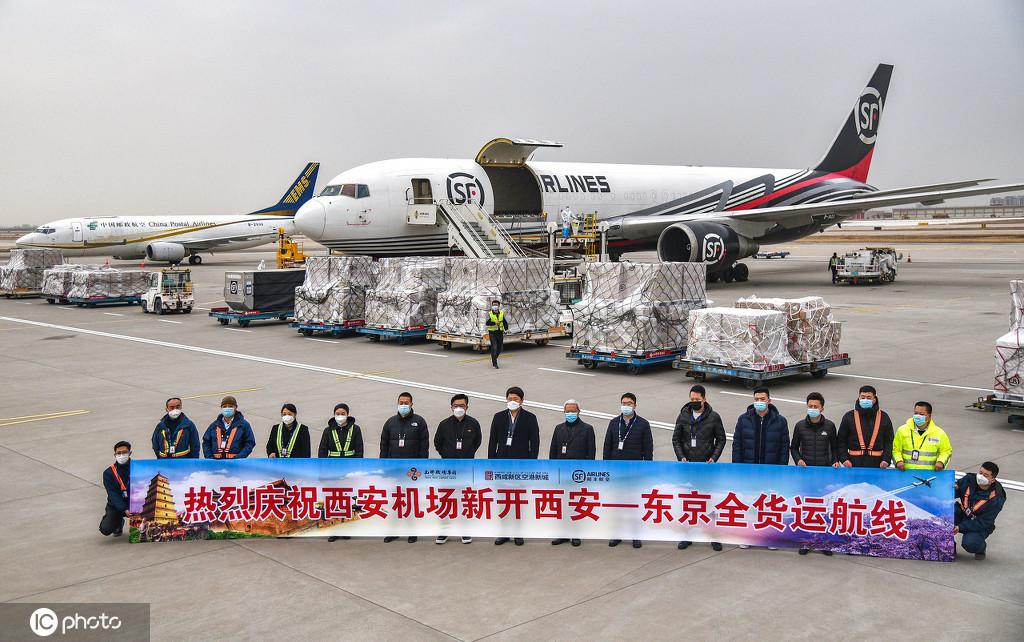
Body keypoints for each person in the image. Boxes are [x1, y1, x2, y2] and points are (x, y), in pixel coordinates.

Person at [672, 385, 726, 551]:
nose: (694, 402)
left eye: (697, 399)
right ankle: (687, 535)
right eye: (692, 399)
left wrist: (713, 457)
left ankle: (713, 536)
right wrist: (681, 457)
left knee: (709, 502)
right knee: (689, 502)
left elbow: (721, 439)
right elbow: (676, 439)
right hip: (688, 467)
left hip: (706, 468)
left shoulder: (714, 417)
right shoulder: (683, 416)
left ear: (704, 399)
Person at [488, 386, 540, 546]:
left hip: (521, 463)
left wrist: (531, 462)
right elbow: (492, 441)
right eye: (510, 399)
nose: (512, 401)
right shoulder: (498, 417)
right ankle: (504, 532)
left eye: (515, 399)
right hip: (502, 463)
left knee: (518, 499)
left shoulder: (530, 418)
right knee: (503, 499)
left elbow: (535, 442)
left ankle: (518, 532)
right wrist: (493, 462)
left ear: (522, 401)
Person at [790, 392, 839, 555]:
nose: (812, 409)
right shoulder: (800, 426)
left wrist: (835, 461)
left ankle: (824, 543)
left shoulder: (830, 426)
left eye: (815, 407)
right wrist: (798, 460)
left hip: (825, 475)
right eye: (810, 406)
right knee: (807, 510)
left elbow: (835, 448)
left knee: (825, 511)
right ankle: (805, 542)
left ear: (822, 408)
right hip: (806, 474)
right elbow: (794, 447)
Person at [604, 392, 653, 549]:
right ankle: (617, 534)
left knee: (634, 504)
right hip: (616, 471)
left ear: (635, 405)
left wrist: (647, 469)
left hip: (635, 471)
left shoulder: (643, 424)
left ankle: (635, 535)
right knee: (617, 504)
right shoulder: (613, 423)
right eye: (624, 403)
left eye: (629, 403)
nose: (626, 406)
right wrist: (607, 468)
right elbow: (607, 447)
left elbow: (648, 449)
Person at [380, 392, 429, 543]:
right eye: (401, 402)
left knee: (411, 501)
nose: (403, 405)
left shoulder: (419, 422)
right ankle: (393, 531)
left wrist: (420, 466)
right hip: (394, 469)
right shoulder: (390, 422)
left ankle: (412, 531)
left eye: (406, 403)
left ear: (412, 404)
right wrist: (383, 465)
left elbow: (424, 446)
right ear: (397, 403)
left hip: (411, 471)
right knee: (395, 500)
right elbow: (384, 445)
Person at [434, 394, 482, 545]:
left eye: (462, 406)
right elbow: (437, 443)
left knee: (465, 499)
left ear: (467, 407)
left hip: (466, 468)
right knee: (446, 499)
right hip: (448, 469)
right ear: (451, 407)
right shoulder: (444, 424)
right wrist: (446, 454)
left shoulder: (473, 424)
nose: (459, 408)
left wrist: (468, 453)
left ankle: (465, 531)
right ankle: (444, 531)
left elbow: (477, 442)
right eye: (456, 406)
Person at [549, 399, 595, 547]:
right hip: (562, 472)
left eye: (573, 411)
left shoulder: (587, 429)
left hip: (578, 473)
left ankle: (576, 534)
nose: (570, 414)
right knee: (562, 503)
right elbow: (553, 451)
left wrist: (587, 472)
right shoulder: (558, 428)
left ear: (579, 412)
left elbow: (591, 452)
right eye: (567, 411)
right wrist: (553, 469)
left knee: (577, 503)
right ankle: (562, 533)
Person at [954, 462, 1006, 560]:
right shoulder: (969, 479)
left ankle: (981, 548)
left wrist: (960, 527)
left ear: (992, 479)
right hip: (963, 513)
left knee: (970, 543)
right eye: (980, 472)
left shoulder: (996, 498)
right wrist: (952, 488)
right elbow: (954, 492)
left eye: (985, 475)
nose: (981, 476)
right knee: (943, 513)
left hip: (979, 523)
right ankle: (949, 546)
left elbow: (984, 522)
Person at [837, 385, 894, 469]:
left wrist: (886, 459)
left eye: (868, 397)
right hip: (853, 463)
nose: (865, 400)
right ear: (859, 398)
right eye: (862, 397)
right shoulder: (849, 417)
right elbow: (841, 440)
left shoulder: (884, 417)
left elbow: (889, 441)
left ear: (874, 400)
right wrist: (844, 459)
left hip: (877, 464)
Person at [892, 401, 952, 471]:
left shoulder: (939, 433)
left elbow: (946, 451)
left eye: (921, 414)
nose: (918, 416)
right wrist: (898, 461)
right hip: (906, 472)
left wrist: (941, 462)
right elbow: (895, 450)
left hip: (929, 473)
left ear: (929, 416)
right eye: (916, 413)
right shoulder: (902, 430)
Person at [100, 441, 132, 537]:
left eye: (125, 452)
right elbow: (112, 494)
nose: (121, 455)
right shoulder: (108, 473)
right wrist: (124, 509)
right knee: (105, 529)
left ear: (130, 453)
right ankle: (118, 522)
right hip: (116, 504)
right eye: (119, 453)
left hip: (135, 502)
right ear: (115, 455)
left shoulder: (138, 467)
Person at [486, 299, 508, 369]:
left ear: (499, 306)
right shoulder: (490, 314)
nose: (495, 306)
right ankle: (494, 363)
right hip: (492, 333)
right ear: (492, 306)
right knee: (494, 347)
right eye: (493, 305)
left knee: (500, 348)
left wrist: (506, 329)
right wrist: (494, 323)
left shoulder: (501, 313)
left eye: (496, 305)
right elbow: (487, 323)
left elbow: (504, 321)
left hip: (500, 332)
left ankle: (494, 357)